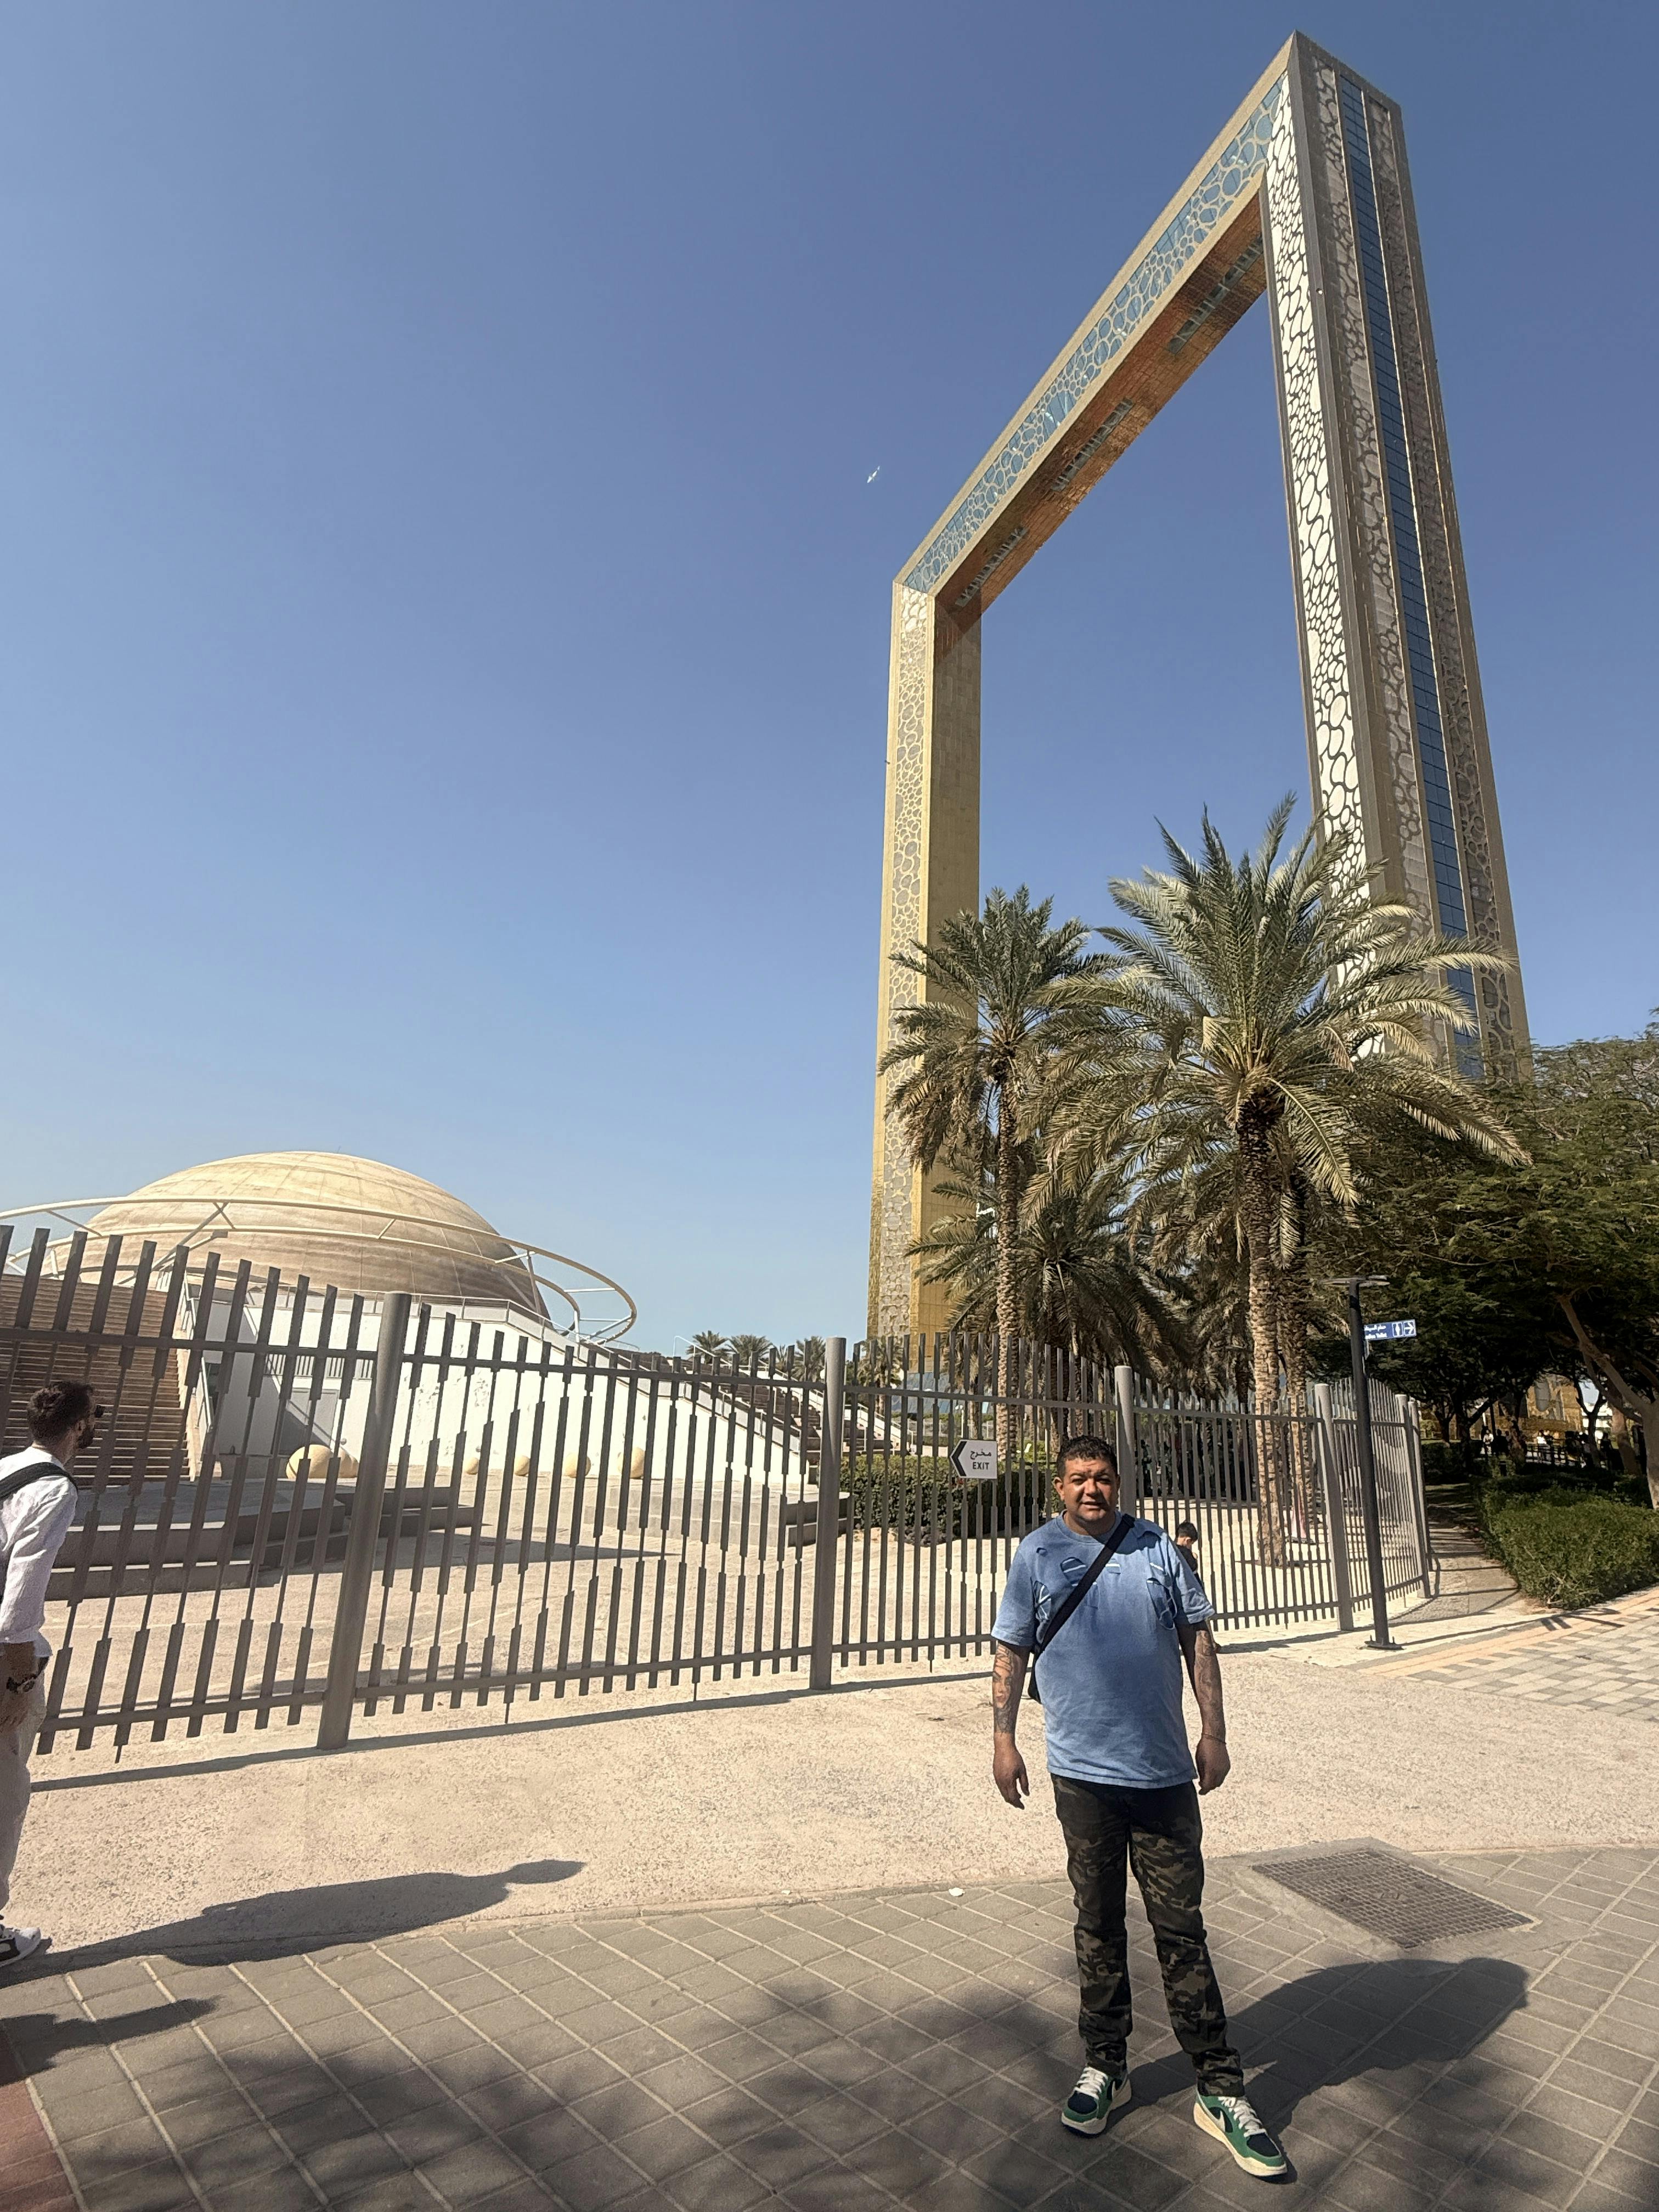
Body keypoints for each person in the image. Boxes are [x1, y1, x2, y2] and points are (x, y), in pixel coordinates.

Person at [990, 1435, 1286, 2180]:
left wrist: (1214, 1732)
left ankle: (1220, 2087)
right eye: (1078, 1478)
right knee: (1096, 1923)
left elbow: (1198, 1641)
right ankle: (1106, 2064)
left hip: (1161, 1777)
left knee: (1182, 1931)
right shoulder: (1036, 1554)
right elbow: (1011, 1649)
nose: (1090, 1489)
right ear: (1059, 1487)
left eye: (1102, 1478)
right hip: (1080, 1778)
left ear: (1119, 1483)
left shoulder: (1158, 1549)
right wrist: (1002, 1739)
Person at [0, 1380, 97, 1968]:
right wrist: (18, 1683)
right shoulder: (55, 1488)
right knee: (4, 1792)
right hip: (3, 1655)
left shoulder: (6, 1469)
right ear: (80, 1427)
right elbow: (22, 1595)